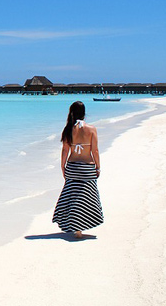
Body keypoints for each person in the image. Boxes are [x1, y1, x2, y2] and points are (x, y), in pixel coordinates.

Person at [52, 101, 104, 239]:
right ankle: (80, 227)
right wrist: (98, 167)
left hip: (73, 167)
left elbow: (65, 151)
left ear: (72, 113)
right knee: (86, 198)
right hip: (87, 168)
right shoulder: (92, 129)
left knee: (72, 197)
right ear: (84, 113)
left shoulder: (68, 129)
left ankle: (76, 228)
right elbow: (95, 150)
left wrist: (63, 167)